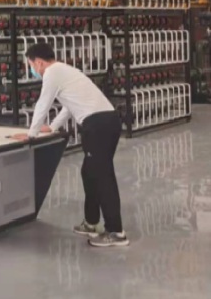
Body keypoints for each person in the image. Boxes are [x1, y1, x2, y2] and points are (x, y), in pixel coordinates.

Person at [11, 42, 129, 248]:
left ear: (38, 63)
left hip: (97, 125)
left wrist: (31, 134)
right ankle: (92, 223)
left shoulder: (52, 73)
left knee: (102, 176)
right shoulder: (65, 71)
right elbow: (68, 106)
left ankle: (116, 232)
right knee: (89, 172)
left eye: (30, 65)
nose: (32, 70)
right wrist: (52, 127)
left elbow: (43, 103)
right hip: (107, 122)